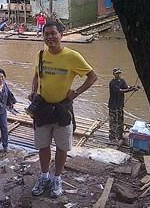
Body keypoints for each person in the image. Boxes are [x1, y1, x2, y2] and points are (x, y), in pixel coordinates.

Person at [28, 21, 97, 198]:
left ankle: (57, 178)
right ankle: (44, 176)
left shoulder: (72, 56)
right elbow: (37, 74)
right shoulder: (41, 54)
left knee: (61, 147)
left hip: (62, 109)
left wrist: (77, 92)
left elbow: (92, 76)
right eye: (46, 34)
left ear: (61, 35)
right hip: (42, 109)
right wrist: (32, 91)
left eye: (53, 33)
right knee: (43, 146)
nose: (50, 37)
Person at [108, 67, 139, 143]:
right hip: (113, 105)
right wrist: (131, 89)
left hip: (120, 105)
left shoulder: (122, 81)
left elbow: (126, 87)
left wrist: (133, 87)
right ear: (114, 74)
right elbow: (120, 91)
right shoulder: (112, 83)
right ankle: (112, 138)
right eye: (116, 73)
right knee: (113, 122)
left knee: (120, 121)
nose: (118, 75)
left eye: (119, 73)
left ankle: (120, 136)